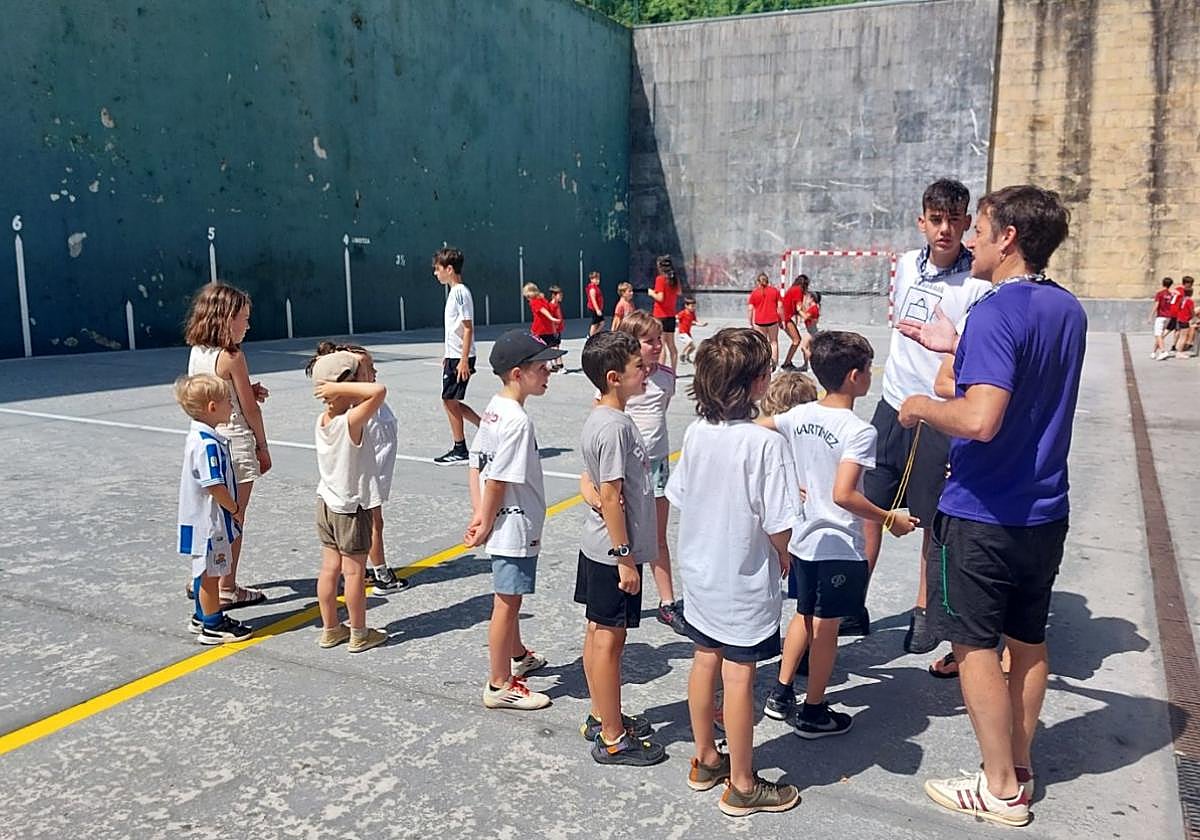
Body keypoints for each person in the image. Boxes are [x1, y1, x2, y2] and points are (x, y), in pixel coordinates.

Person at [898, 184, 1085, 827]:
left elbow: (980, 418)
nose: (970, 239)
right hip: (1044, 510)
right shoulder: (1068, 309)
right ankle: (1020, 763)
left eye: (978, 228)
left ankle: (999, 787)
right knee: (1028, 643)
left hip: (982, 512)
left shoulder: (995, 311)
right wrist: (957, 347)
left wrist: (922, 405)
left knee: (975, 645)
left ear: (1008, 238)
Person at [665, 327, 800, 817]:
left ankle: (705, 757)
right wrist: (785, 554)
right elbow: (779, 522)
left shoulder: (696, 433)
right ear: (758, 384)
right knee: (740, 674)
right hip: (741, 579)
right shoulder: (765, 443)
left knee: (705, 659)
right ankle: (743, 783)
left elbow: (681, 495)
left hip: (701, 573)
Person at [760, 332, 918, 736]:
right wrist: (888, 518)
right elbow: (844, 494)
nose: (870, 376)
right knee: (827, 629)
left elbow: (759, 426)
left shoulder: (800, 415)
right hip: (837, 544)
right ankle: (813, 710)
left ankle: (780, 693)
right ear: (853, 376)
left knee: (803, 614)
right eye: (867, 369)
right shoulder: (859, 431)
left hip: (803, 538)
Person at [860, 179, 991, 660]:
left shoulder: (975, 282)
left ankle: (922, 610)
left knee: (929, 519)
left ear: (967, 224)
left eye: (955, 220)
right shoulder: (903, 266)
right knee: (868, 505)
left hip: (937, 412)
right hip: (892, 404)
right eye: (936, 219)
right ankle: (855, 599)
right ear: (922, 221)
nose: (945, 229)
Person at [576, 330, 664, 766]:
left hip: (599, 547)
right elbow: (610, 495)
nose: (644, 371)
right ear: (614, 377)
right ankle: (613, 738)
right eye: (637, 367)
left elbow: (590, 484)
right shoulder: (613, 427)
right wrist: (625, 558)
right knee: (611, 640)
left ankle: (600, 714)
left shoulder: (603, 418)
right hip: (613, 553)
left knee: (597, 632)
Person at [465, 330, 566, 710]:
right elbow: (499, 480)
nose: (549, 371)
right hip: (514, 525)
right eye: (542, 367)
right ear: (518, 373)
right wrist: (486, 522)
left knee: (512, 597)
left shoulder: (494, 408)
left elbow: (476, 465)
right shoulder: (518, 421)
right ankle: (499, 683)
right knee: (506, 603)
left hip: (503, 521)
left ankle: (518, 654)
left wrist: (478, 515)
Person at [583, 310, 683, 633]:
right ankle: (629, 567)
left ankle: (667, 602)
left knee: (657, 535)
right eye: (648, 341)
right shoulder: (613, 396)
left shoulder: (665, 377)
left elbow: (661, 413)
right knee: (628, 528)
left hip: (655, 464)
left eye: (658, 340)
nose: (656, 346)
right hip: (623, 468)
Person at [184, 282, 271, 608]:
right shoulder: (232, 356)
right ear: (226, 319)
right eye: (243, 318)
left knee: (210, 519)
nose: (247, 325)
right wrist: (262, 447)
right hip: (235, 444)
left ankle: (204, 579)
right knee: (235, 520)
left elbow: (211, 394)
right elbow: (250, 409)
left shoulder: (197, 353)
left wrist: (247, 388)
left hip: (207, 442)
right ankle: (227, 586)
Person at [305, 342, 406, 594]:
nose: (373, 374)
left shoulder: (360, 409)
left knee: (374, 524)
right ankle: (379, 574)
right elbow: (378, 392)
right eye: (366, 370)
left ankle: (360, 577)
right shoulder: (357, 413)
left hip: (363, 481)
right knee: (372, 527)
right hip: (357, 490)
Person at [308, 350, 390, 654]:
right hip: (350, 508)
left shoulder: (323, 419)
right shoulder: (350, 421)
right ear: (345, 385)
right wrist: (341, 387)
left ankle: (331, 628)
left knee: (329, 569)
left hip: (326, 503)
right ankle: (359, 632)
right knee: (354, 572)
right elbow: (379, 392)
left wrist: (336, 389)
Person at [174, 373, 252, 645]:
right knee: (209, 574)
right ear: (212, 407)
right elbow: (214, 484)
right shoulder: (207, 445)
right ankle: (213, 623)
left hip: (199, 519)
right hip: (209, 521)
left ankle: (202, 614)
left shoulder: (200, 437)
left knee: (202, 569)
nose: (232, 406)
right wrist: (235, 508)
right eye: (228, 401)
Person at [432, 247, 481, 464]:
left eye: (437, 269)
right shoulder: (455, 292)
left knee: (449, 400)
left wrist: (462, 360)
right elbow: (454, 329)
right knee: (451, 401)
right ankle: (487, 427)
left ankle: (460, 448)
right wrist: (448, 354)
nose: (436, 273)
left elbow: (468, 328)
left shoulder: (460, 292)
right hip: (454, 356)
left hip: (460, 358)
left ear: (449, 269)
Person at [647, 255, 681, 369]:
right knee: (671, 345)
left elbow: (660, 298)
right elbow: (679, 292)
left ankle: (661, 370)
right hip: (671, 315)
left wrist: (651, 293)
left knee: (661, 344)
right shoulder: (674, 279)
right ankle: (674, 371)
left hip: (660, 315)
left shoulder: (660, 279)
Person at [747, 272, 783, 368]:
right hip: (772, 320)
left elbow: (750, 309)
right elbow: (780, 307)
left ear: (758, 282)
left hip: (759, 321)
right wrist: (781, 321)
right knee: (774, 342)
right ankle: (775, 365)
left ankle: (763, 364)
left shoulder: (754, 293)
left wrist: (750, 323)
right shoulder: (775, 291)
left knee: (762, 343)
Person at [781, 274, 810, 371]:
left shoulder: (793, 289)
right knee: (796, 340)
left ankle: (787, 362)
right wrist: (807, 316)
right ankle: (787, 363)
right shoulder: (798, 290)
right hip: (785, 317)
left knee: (797, 339)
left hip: (786, 317)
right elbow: (798, 306)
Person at [677, 297, 706, 365]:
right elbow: (677, 317)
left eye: (694, 306)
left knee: (693, 347)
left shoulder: (692, 314)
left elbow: (695, 322)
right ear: (686, 306)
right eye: (692, 306)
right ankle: (682, 355)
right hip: (682, 332)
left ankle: (687, 356)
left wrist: (701, 325)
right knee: (690, 342)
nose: (693, 308)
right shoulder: (683, 313)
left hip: (688, 333)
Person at [1151, 276, 1175, 359]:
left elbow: (1156, 305)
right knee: (1160, 335)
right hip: (1168, 317)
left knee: (1158, 334)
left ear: (1162, 283)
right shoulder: (1172, 294)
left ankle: (1163, 351)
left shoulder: (1160, 294)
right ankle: (1153, 352)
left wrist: (1150, 316)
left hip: (1161, 316)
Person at [1173, 286, 1196, 358]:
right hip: (1185, 320)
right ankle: (1179, 353)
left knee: (1181, 336)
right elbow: (1192, 311)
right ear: (1191, 293)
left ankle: (1178, 351)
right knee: (1184, 337)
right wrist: (1194, 317)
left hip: (1180, 319)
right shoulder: (1190, 301)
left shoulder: (1182, 299)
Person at [548, 285, 566, 371]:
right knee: (555, 347)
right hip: (553, 330)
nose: (561, 297)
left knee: (555, 345)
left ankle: (552, 363)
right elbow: (550, 319)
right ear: (554, 295)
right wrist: (554, 330)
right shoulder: (551, 306)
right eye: (560, 295)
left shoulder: (557, 305)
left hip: (558, 329)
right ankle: (559, 364)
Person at [586, 271, 605, 337]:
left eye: (598, 279)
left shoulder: (596, 287)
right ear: (591, 280)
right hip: (594, 309)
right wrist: (597, 310)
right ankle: (591, 336)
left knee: (598, 323)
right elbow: (593, 300)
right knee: (598, 323)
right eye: (595, 279)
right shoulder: (592, 289)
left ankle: (593, 335)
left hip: (597, 309)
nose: (597, 281)